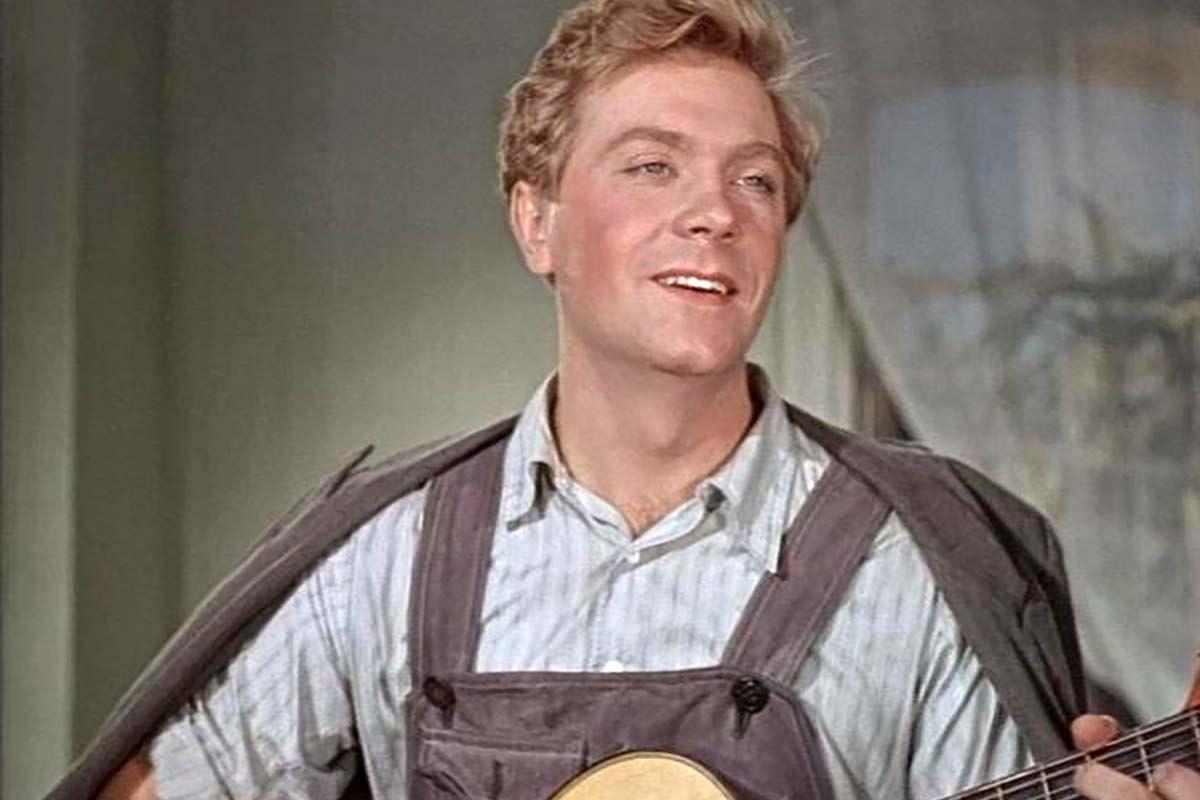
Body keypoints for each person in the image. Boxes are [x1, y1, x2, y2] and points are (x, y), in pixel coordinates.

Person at [49, 0, 1192, 798]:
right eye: (653, 165)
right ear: (536, 221)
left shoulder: (924, 560)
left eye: (755, 179)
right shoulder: (386, 553)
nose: (716, 212)